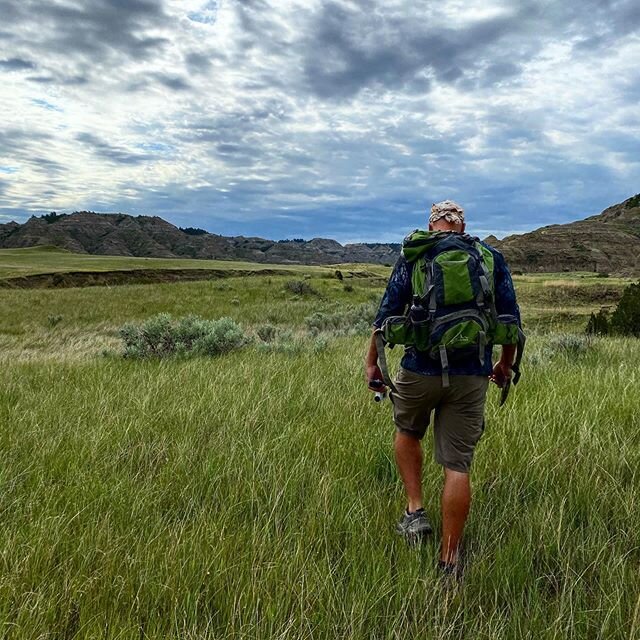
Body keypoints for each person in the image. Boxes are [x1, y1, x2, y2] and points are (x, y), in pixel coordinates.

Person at [365, 200, 521, 575]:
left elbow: (384, 318)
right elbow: (510, 321)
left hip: (419, 369)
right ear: (462, 225)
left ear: (432, 224)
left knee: (407, 430)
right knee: (457, 465)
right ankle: (450, 561)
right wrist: (503, 364)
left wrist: (372, 362)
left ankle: (415, 510)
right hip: (472, 375)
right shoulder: (489, 257)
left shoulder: (415, 256)